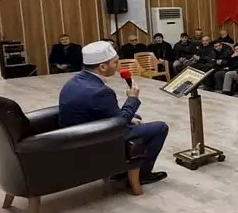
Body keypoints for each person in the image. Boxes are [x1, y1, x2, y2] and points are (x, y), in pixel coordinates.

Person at [57, 41, 168, 183]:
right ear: (102, 67)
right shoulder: (100, 92)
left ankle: (123, 169)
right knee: (160, 127)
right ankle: (141, 175)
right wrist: (132, 98)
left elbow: (107, 113)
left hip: (79, 134)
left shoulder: (74, 81)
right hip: (94, 141)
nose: (118, 66)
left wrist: (130, 116)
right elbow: (120, 121)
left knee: (135, 117)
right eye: (115, 63)